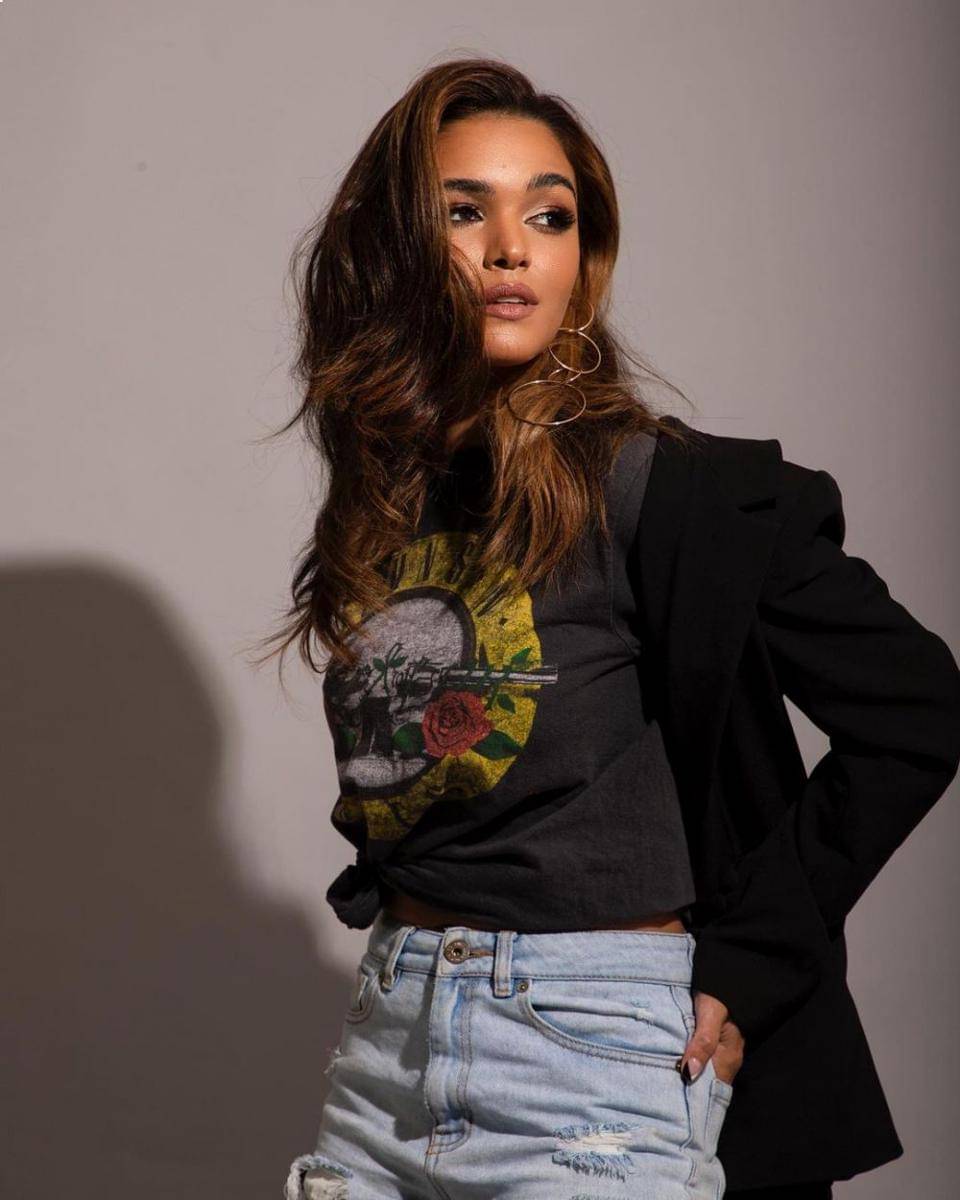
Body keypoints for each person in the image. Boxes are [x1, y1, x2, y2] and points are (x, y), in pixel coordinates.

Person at [252, 58, 960, 1200]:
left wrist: (755, 958)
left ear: (584, 260)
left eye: (550, 216)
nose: (511, 249)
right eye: (464, 212)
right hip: (390, 1043)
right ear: (394, 248)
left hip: (588, 1059)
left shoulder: (660, 491)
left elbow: (917, 710)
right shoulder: (387, 498)